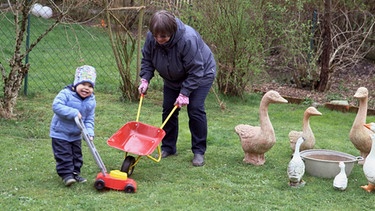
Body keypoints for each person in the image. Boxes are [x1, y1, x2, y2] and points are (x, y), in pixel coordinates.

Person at [138, 10, 216, 167]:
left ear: (172, 32)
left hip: (201, 75)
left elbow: (196, 70)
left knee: (195, 109)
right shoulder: (152, 38)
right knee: (168, 109)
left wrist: (185, 93)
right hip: (173, 78)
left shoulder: (188, 39)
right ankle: (168, 147)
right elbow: (147, 59)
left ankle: (199, 151)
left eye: (164, 37)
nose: (159, 40)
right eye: (156, 36)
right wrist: (145, 79)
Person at [50, 65, 97, 186]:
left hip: (76, 134)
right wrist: (74, 113)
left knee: (77, 156)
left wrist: (89, 133)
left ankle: (75, 174)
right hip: (60, 132)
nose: (86, 88)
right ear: (76, 84)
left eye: (90, 86)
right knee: (64, 155)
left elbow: (89, 119)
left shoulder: (91, 100)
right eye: (83, 84)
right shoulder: (66, 94)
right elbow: (56, 106)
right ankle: (67, 175)